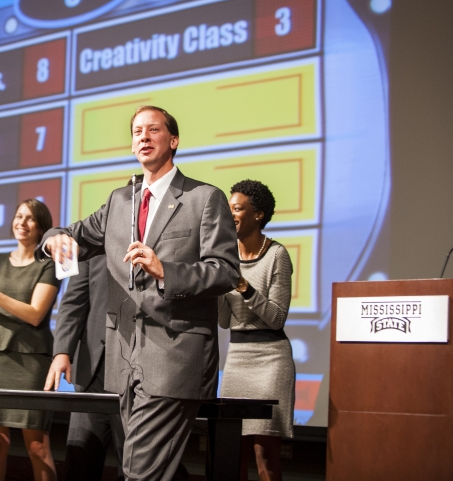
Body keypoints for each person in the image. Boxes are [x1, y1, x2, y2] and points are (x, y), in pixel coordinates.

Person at [39, 106, 239, 480]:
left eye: (153, 130)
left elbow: (225, 272)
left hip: (175, 358)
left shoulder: (203, 198)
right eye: (136, 132)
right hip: (122, 362)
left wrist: (166, 270)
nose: (143, 137)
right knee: (147, 471)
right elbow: (71, 233)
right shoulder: (120, 201)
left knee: (139, 471)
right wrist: (54, 240)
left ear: (173, 141)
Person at [44, 180, 142, 481]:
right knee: (80, 461)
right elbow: (73, 304)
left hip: (138, 375)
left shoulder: (159, 246)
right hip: (92, 372)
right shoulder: (91, 247)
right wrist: (61, 352)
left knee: (135, 465)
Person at [0, 199, 61, 481]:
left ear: (41, 226)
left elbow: (34, 315)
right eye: (18, 216)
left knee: (37, 445)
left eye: (30, 218)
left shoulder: (49, 264)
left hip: (31, 360)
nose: (22, 222)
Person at [218, 180, 295, 481]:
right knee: (232, 450)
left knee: (264, 453)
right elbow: (225, 321)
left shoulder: (277, 255)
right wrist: (218, 289)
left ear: (258, 215)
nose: (230, 214)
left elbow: (276, 318)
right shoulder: (225, 256)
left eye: (237, 208)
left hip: (271, 361)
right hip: (237, 360)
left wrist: (243, 286)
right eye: (228, 209)